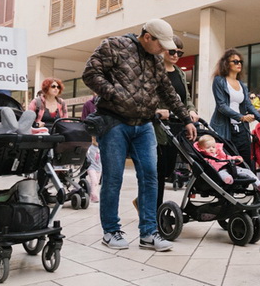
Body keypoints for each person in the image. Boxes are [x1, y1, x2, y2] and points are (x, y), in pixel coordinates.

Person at [83, 18, 195, 251]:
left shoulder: (155, 59)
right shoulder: (114, 45)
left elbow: (168, 90)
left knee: (150, 176)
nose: (164, 50)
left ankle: (149, 233)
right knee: (114, 178)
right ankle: (111, 231)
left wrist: (185, 118)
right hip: (114, 122)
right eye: (160, 44)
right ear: (147, 37)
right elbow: (90, 73)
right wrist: (115, 94)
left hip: (145, 124)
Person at [156, 36, 198, 207]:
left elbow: (185, 98)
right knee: (158, 170)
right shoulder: (156, 70)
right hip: (157, 126)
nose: (175, 55)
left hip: (176, 126)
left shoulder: (179, 72)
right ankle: (154, 208)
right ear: (163, 49)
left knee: (167, 169)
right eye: (172, 51)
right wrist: (156, 111)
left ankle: (145, 201)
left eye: (179, 53)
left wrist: (192, 110)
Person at [210, 48, 260, 168]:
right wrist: (242, 117)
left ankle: (244, 186)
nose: (239, 64)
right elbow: (221, 106)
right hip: (224, 128)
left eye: (240, 62)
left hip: (241, 129)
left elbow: (248, 105)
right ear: (226, 64)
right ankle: (229, 186)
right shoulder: (219, 81)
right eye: (235, 61)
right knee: (228, 162)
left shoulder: (241, 85)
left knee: (245, 161)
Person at [195, 135, 260, 190]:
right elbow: (210, 166)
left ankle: (259, 185)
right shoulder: (206, 159)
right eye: (208, 148)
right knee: (222, 174)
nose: (211, 149)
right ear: (202, 149)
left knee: (247, 171)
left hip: (231, 166)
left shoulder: (220, 153)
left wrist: (236, 158)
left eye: (213, 147)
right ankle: (228, 179)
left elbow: (227, 157)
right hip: (220, 170)